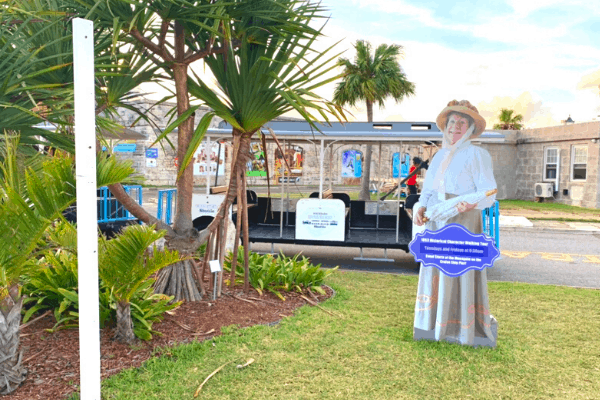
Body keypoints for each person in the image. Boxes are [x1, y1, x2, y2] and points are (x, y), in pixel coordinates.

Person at [413, 100, 498, 348]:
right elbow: (428, 190)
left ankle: (462, 328)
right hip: (437, 220)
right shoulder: (439, 156)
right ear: (445, 126)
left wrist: (470, 203)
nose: (455, 127)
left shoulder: (477, 154)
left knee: (459, 271)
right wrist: (420, 207)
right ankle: (433, 322)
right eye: (452, 122)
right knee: (436, 269)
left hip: (463, 220)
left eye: (462, 122)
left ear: (470, 127)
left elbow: (489, 193)